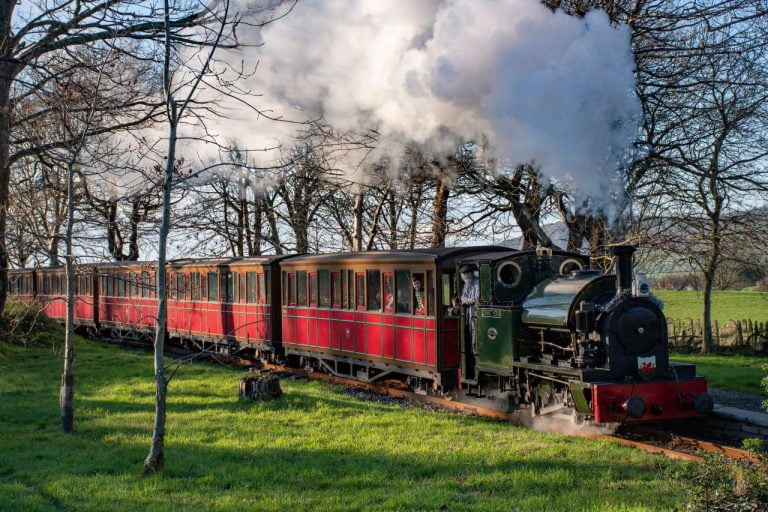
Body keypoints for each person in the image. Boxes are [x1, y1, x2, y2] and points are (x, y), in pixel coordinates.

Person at [460, 263, 480, 353]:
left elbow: (477, 298)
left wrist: (467, 301)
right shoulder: (465, 285)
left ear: (472, 273)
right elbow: (462, 299)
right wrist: (469, 301)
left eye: (468, 273)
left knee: (476, 335)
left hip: (477, 314)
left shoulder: (477, 282)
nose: (466, 275)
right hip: (469, 314)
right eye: (464, 274)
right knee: (470, 334)